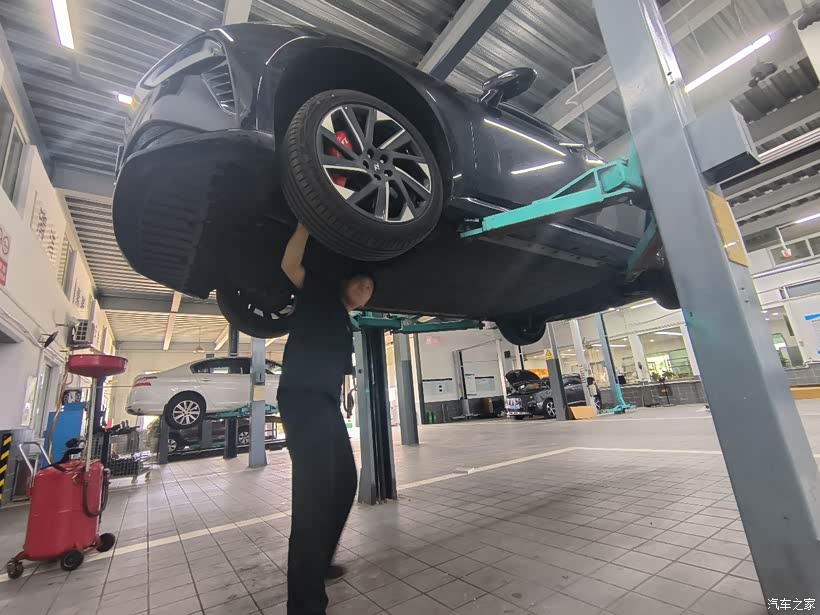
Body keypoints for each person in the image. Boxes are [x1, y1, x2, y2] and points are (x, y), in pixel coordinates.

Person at [278, 223, 375, 615]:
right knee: (314, 496)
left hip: (325, 405)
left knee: (345, 482)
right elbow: (290, 265)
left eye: (370, 289)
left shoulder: (345, 322)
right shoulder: (319, 296)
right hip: (302, 400)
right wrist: (305, 225)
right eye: (361, 283)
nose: (366, 289)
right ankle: (304, 603)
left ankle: (318, 563)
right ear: (344, 283)